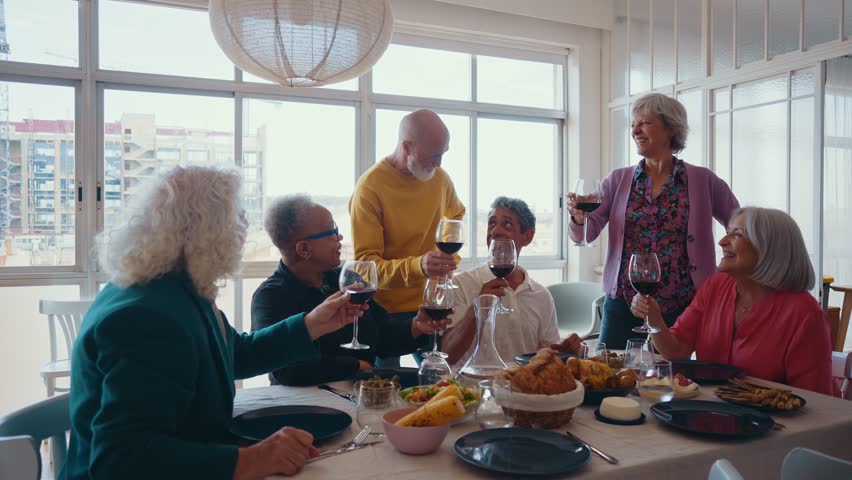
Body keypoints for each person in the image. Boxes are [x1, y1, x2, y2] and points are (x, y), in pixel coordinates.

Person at [61, 167, 366, 480]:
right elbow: (121, 459)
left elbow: (234, 354)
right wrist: (251, 460)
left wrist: (310, 325)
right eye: (236, 218)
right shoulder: (146, 317)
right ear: (204, 230)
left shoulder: (169, 285)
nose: (244, 229)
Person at [567, 93, 739, 349]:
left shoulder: (703, 180)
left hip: (686, 302)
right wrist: (578, 217)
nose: (635, 130)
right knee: (612, 374)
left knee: (678, 379)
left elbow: (739, 224)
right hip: (625, 301)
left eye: (644, 123)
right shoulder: (617, 180)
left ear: (670, 128)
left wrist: (731, 272)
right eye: (633, 125)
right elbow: (587, 233)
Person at [631, 207, 834, 394]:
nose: (722, 241)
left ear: (769, 248)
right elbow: (676, 351)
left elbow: (815, 401)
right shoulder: (716, 287)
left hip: (775, 427)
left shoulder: (804, 313)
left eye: (737, 234)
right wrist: (653, 316)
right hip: (713, 413)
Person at [251, 194, 448, 386]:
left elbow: (381, 335)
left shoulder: (343, 280)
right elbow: (285, 370)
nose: (340, 237)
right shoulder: (270, 297)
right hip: (302, 406)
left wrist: (416, 326)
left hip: (359, 394)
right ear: (304, 249)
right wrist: (354, 366)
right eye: (332, 231)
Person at [349, 109, 465, 365]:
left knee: (439, 382)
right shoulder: (370, 187)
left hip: (431, 303)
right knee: (382, 392)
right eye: (434, 155)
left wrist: (448, 259)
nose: (439, 163)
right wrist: (419, 266)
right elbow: (367, 266)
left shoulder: (441, 179)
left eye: (443, 154)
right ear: (407, 147)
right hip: (385, 312)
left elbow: (456, 216)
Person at [442, 197, 582, 368]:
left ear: (528, 236)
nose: (495, 231)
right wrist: (477, 309)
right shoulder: (461, 284)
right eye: (491, 223)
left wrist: (564, 353)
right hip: (474, 388)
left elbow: (546, 357)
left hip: (523, 389)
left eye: (507, 224)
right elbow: (447, 356)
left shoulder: (541, 295)